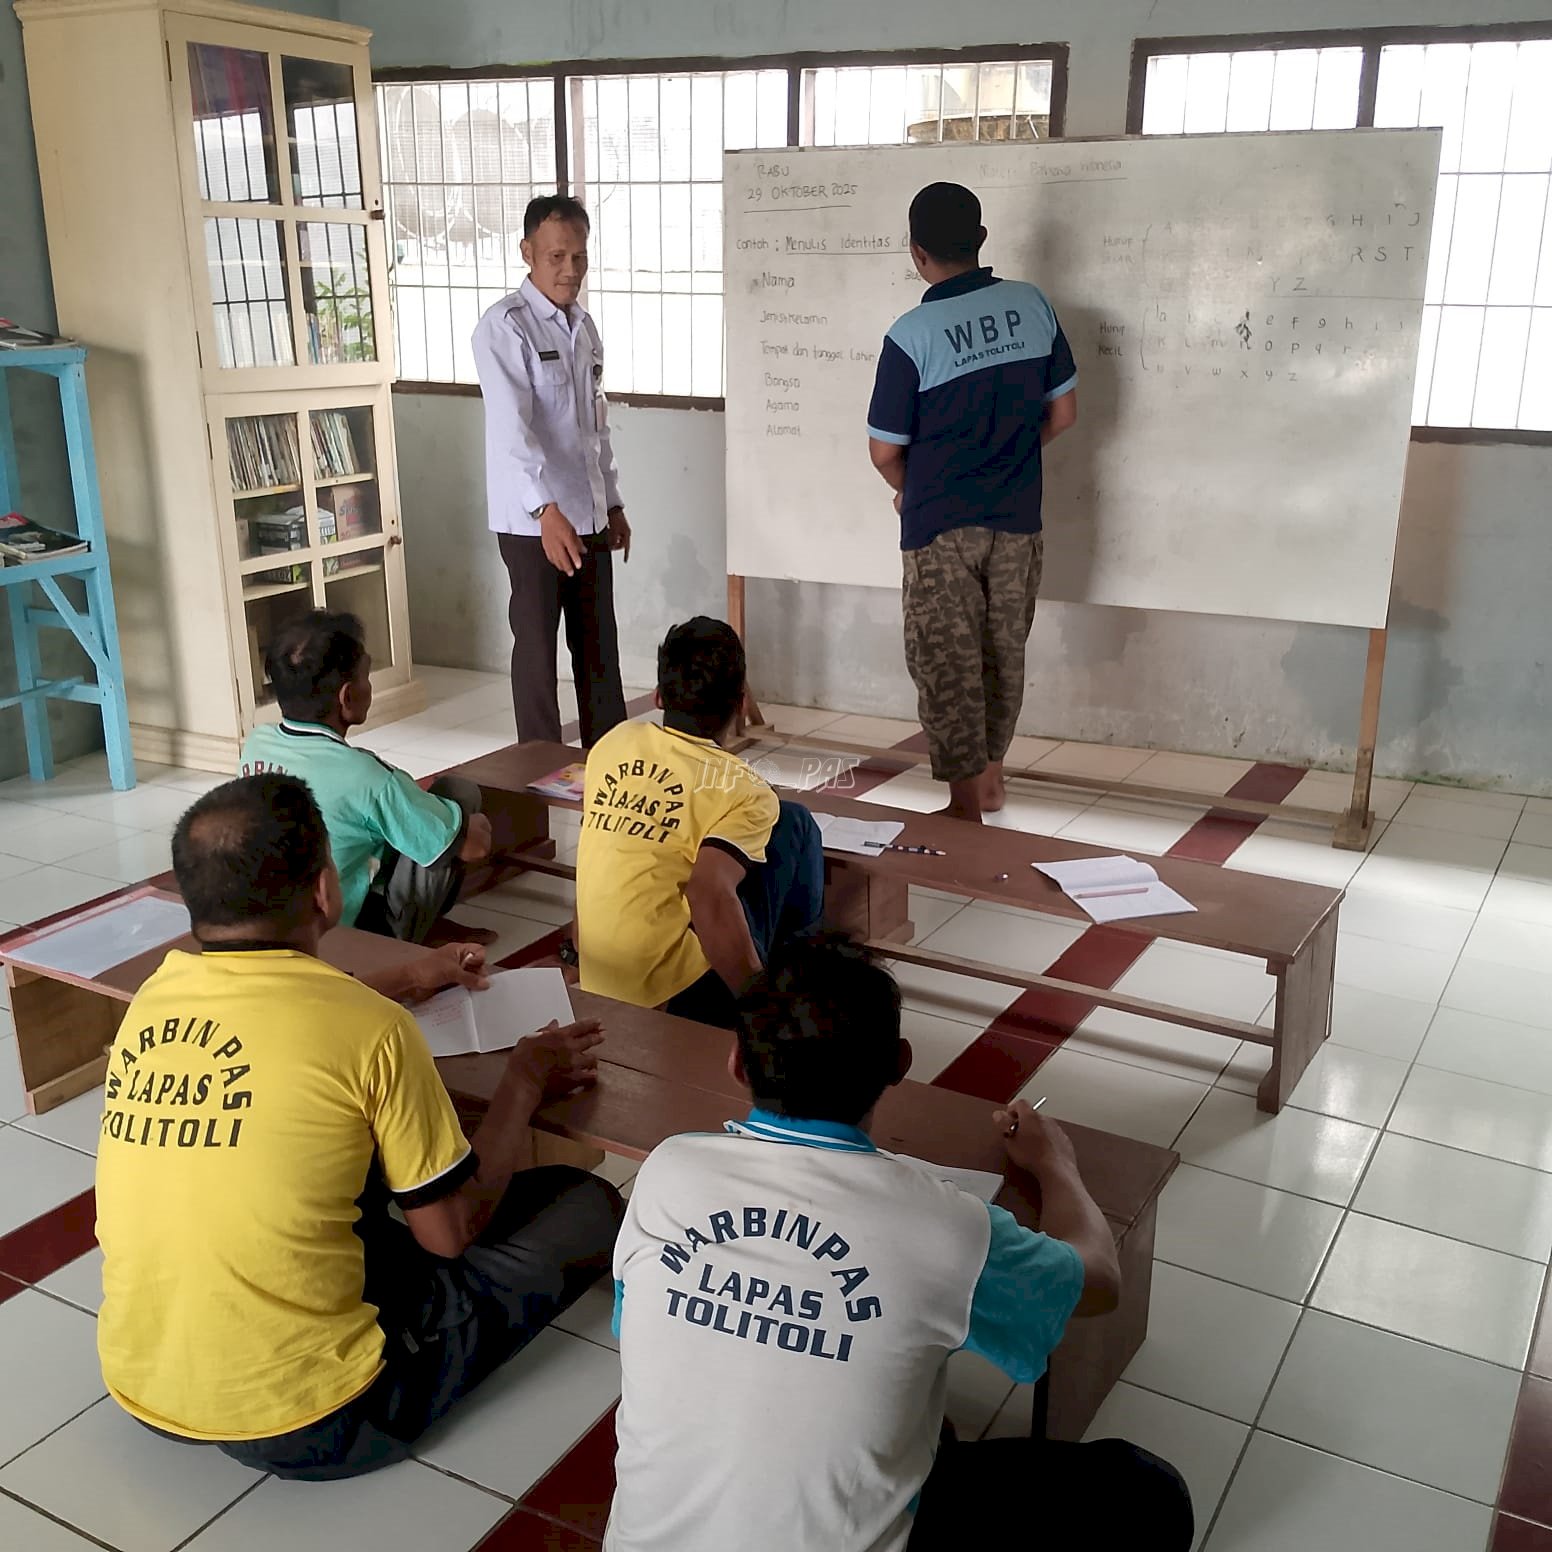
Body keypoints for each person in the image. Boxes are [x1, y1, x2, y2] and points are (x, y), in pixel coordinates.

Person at [95, 772, 622, 1479]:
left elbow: (290, 1015)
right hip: (325, 1418)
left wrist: (413, 977)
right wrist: (522, 1083)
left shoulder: (156, 997)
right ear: (324, 890)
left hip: (143, 1383)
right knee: (585, 1205)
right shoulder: (374, 1032)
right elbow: (451, 1234)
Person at [606, 933, 1191, 1552]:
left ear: (738, 1064)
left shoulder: (668, 1170)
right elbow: (1099, 1282)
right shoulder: (945, 1224)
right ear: (899, 1064)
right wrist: (1056, 1165)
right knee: (1146, 1490)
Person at [866, 181, 1079, 823]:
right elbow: (1063, 414)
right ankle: (992, 781)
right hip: (1017, 518)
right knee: (1002, 651)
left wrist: (911, 487)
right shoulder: (1032, 305)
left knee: (947, 659)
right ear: (981, 240)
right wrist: (1005, 457)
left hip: (939, 525)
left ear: (916, 252)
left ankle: (964, 808)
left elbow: (884, 449)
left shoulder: (910, 335)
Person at [572, 616, 823, 1030]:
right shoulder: (744, 788)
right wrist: (761, 1014)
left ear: (658, 696)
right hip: (677, 1000)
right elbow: (707, 895)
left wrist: (578, 947)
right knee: (793, 822)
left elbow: (597, 853)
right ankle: (794, 986)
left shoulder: (612, 744)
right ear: (741, 703)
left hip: (597, 971)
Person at [473, 194, 630, 747]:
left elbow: (594, 427)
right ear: (527, 253)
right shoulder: (504, 328)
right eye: (556, 257)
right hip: (532, 522)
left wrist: (613, 502)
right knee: (538, 653)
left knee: (598, 650)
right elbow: (511, 432)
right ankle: (537, 767)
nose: (570, 270)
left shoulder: (583, 327)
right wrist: (546, 510)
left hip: (587, 512)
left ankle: (609, 762)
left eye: (579, 257)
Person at [239, 609, 494, 944]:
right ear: (347, 697)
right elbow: (476, 846)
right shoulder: (367, 776)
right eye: (366, 675)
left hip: (271, 926)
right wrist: (470, 822)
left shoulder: (256, 743)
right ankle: (404, 939)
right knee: (457, 792)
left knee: (387, 818)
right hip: (346, 934)